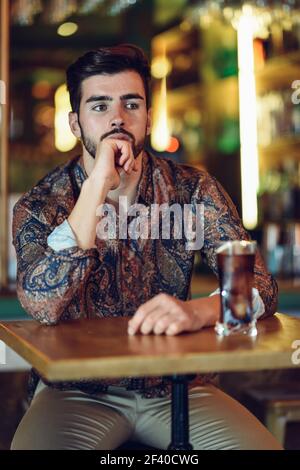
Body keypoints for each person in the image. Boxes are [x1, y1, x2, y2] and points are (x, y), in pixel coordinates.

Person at [11, 44, 282, 450]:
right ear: (75, 122)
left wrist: (196, 313)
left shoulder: (194, 188)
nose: (117, 118)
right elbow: (42, 303)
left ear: (149, 118)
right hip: (75, 392)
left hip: (180, 388)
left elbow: (259, 285)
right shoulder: (41, 203)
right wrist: (98, 185)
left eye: (131, 104)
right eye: (99, 106)